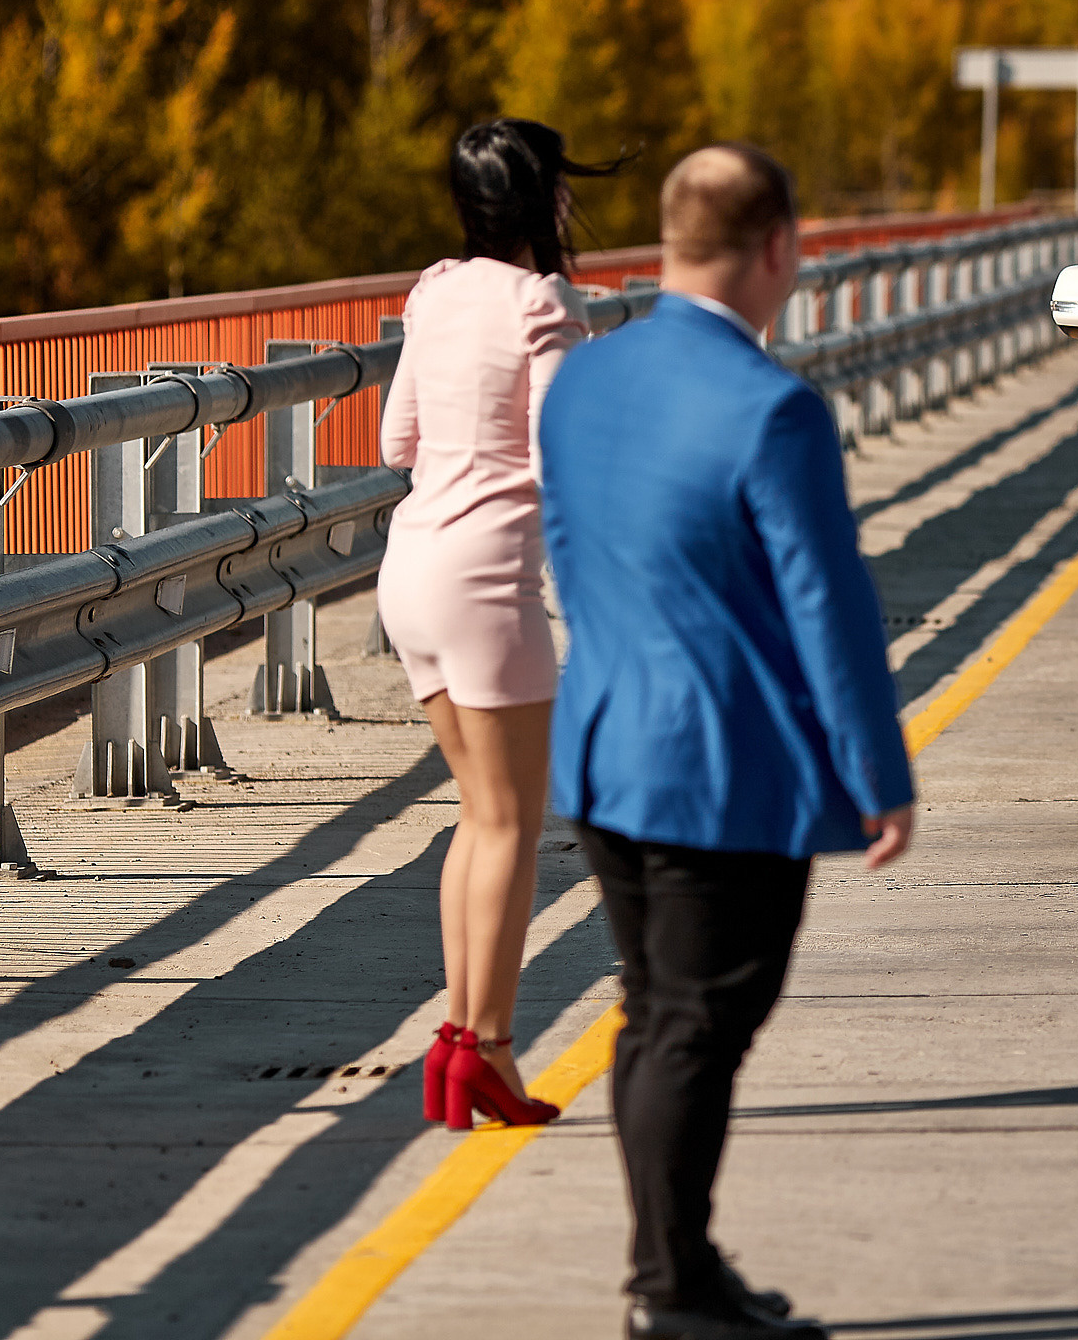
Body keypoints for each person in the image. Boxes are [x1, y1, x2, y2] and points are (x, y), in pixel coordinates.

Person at [538, 143, 916, 1340]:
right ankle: (671, 1290)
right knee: (696, 1027)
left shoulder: (582, 380)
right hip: (719, 770)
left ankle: (680, 1268)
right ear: (778, 248)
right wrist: (877, 773)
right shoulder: (773, 409)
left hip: (604, 745)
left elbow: (566, 549)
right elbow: (829, 607)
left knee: (656, 1013)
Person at [377, 117, 610, 1129]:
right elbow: (562, 461)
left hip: (409, 572)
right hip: (483, 581)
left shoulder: (434, 290)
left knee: (478, 813)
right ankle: (493, 1051)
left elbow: (396, 440)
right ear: (541, 199)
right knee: (512, 821)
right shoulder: (543, 304)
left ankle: (456, 1042)